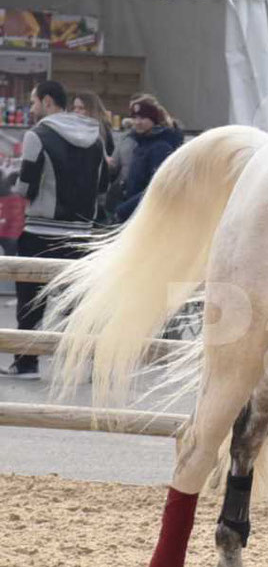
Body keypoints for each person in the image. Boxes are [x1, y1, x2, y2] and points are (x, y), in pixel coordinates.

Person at [3, 80, 107, 379]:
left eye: (34, 102)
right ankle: (86, 365)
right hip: (82, 233)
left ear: (48, 102)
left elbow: (26, 185)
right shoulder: (95, 138)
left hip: (40, 231)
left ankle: (26, 364)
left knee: (31, 301)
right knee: (79, 304)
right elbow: (102, 186)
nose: (32, 108)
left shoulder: (38, 135)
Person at [114, 95, 183, 223]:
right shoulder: (142, 144)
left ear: (154, 119)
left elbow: (157, 188)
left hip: (145, 217)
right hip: (135, 213)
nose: (137, 122)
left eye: (143, 118)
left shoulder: (160, 148)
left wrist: (125, 210)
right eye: (135, 117)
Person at [71, 91, 116, 158]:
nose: (76, 111)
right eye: (74, 108)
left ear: (92, 109)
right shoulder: (71, 128)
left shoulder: (103, 129)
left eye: (81, 108)